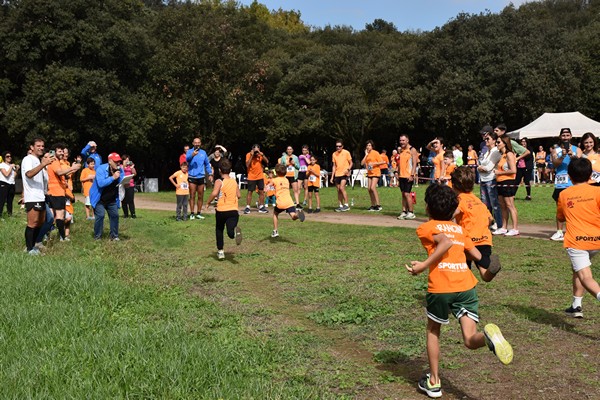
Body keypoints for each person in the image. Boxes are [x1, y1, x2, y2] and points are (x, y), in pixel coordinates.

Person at [406, 183, 513, 398]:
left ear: (427, 208)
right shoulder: (460, 230)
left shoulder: (425, 228)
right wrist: (489, 269)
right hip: (466, 285)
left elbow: (443, 243)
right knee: (470, 338)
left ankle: (434, 382)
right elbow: (478, 257)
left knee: (433, 331)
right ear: (454, 208)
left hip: (442, 286)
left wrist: (422, 266)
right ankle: (489, 338)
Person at [557, 157, 600, 318]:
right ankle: (576, 305)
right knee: (577, 269)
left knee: (586, 277)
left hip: (577, 242)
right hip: (596, 240)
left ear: (569, 175)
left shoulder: (564, 194)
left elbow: (560, 217)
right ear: (591, 175)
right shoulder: (597, 191)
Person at [451, 166, 501, 282]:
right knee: (485, 275)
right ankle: (491, 270)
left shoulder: (460, 199)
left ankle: (464, 288)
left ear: (454, 185)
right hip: (485, 240)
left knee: (462, 269)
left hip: (468, 242)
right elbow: (490, 219)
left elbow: (453, 214)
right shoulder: (478, 200)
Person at [22, 137, 54, 255]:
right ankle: (29, 249)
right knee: (32, 223)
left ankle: (34, 245)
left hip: (41, 196)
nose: (41, 148)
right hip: (32, 196)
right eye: (38, 146)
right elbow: (29, 174)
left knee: (40, 223)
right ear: (32, 147)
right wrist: (43, 164)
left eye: (42, 146)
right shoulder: (28, 159)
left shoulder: (38, 160)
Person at [205, 159, 242, 260]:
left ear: (220, 170)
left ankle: (220, 251)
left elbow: (214, 193)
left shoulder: (219, 181)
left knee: (219, 229)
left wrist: (208, 202)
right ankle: (234, 233)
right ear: (230, 170)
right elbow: (239, 195)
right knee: (230, 231)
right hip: (233, 210)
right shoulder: (234, 182)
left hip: (221, 210)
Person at [550, 128, 582, 241]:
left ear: (571, 136)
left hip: (573, 182)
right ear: (560, 137)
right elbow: (555, 164)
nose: (565, 137)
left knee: (574, 208)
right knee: (560, 208)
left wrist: (572, 155)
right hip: (560, 183)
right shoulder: (555, 150)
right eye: (563, 135)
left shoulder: (577, 149)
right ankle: (559, 232)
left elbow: (579, 164)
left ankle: (574, 231)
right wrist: (563, 156)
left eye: (567, 135)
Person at [47, 143, 81, 241]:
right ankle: (61, 237)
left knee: (56, 216)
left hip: (58, 191)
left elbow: (62, 175)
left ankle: (52, 235)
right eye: (60, 151)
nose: (62, 153)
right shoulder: (54, 161)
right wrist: (72, 168)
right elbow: (59, 172)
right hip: (56, 192)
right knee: (59, 216)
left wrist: (72, 170)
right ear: (54, 152)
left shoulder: (56, 161)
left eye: (63, 151)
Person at [90, 152, 124, 241]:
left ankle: (114, 236)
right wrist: (113, 177)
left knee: (115, 215)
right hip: (99, 198)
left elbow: (121, 181)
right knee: (100, 216)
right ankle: (97, 237)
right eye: (116, 161)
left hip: (112, 198)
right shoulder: (101, 169)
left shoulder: (120, 170)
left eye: (119, 161)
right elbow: (101, 183)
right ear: (110, 161)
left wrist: (125, 182)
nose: (118, 163)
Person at [477, 130, 503, 231]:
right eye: (485, 138)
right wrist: (481, 167)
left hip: (491, 180)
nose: (485, 140)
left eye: (488, 138)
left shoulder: (495, 151)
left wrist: (480, 167)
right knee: (485, 204)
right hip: (483, 180)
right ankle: (487, 222)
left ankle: (499, 224)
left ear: (494, 140)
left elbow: (488, 167)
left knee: (494, 203)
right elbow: (481, 165)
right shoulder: (486, 151)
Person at [493, 136, 519, 236]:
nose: (497, 144)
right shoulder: (502, 155)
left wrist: (499, 172)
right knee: (502, 205)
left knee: (510, 205)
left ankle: (515, 228)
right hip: (500, 182)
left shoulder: (509, 154)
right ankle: (504, 227)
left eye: (498, 142)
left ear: (505, 143)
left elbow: (513, 170)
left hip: (508, 182)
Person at [271, 163, 305, 238]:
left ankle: (275, 231)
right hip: (289, 202)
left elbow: (270, 184)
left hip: (281, 202)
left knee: (275, 214)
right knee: (293, 216)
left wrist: (266, 187)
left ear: (276, 172)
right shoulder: (286, 180)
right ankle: (297, 215)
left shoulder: (275, 180)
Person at [186, 137, 213, 220]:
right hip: (192, 176)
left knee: (200, 196)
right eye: (195, 142)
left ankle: (198, 213)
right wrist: (192, 155)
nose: (197, 144)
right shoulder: (189, 152)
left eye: (198, 142)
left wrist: (210, 174)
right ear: (193, 143)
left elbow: (207, 164)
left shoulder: (203, 153)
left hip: (201, 176)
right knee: (192, 195)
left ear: (200, 143)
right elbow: (187, 160)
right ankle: (192, 213)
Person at [397, 134, 419, 220]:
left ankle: (411, 212)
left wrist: (412, 174)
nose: (402, 142)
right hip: (401, 175)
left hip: (408, 175)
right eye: (400, 140)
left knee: (407, 194)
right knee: (403, 194)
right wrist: (397, 173)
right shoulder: (401, 150)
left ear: (407, 140)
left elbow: (414, 163)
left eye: (403, 140)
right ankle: (404, 211)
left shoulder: (412, 150)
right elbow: (400, 163)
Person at [244, 144, 269, 214]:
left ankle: (261, 206)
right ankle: (248, 207)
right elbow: (247, 165)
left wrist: (262, 154)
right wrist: (252, 155)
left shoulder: (259, 155)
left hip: (260, 176)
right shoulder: (248, 155)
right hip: (251, 176)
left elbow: (267, 161)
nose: (256, 152)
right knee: (250, 192)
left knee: (261, 191)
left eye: (257, 150)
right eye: (255, 150)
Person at [361, 140, 385, 211]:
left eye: (369, 145)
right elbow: (362, 163)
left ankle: (378, 205)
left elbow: (382, 162)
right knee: (369, 189)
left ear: (372, 146)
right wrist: (365, 155)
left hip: (376, 172)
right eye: (367, 145)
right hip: (370, 173)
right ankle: (372, 205)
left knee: (372, 187)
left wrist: (373, 164)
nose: (368, 147)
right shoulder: (367, 154)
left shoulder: (375, 153)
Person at [330, 139, 352, 212]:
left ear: (342, 146)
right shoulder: (334, 154)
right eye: (337, 146)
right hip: (337, 174)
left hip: (344, 173)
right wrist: (332, 176)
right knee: (338, 190)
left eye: (340, 146)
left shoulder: (346, 153)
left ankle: (346, 204)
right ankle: (340, 205)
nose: (338, 148)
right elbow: (334, 166)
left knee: (342, 188)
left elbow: (351, 163)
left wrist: (348, 169)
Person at [0, 151, 19, 217]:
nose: (9, 158)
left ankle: (10, 214)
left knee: (10, 201)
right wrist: (11, 167)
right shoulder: (2, 165)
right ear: (4, 158)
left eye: (10, 156)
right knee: (2, 200)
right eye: (7, 156)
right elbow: (6, 174)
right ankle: (0, 215)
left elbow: (14, 176)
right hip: (4, 184)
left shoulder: (11, 165)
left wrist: (16, 170)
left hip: (11, 184)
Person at [121, 154, 137, 218]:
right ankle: (126, 214)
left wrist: (132, 167)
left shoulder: (130, 166)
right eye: (126, 159)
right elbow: (121, 170)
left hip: (130, 184)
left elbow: (134, 174)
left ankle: (133, 214)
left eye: (128, 159)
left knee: (131, 200)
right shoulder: (121, 166)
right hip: (123, 184)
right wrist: (124, 164)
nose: (127, 161)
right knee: (123, 200)